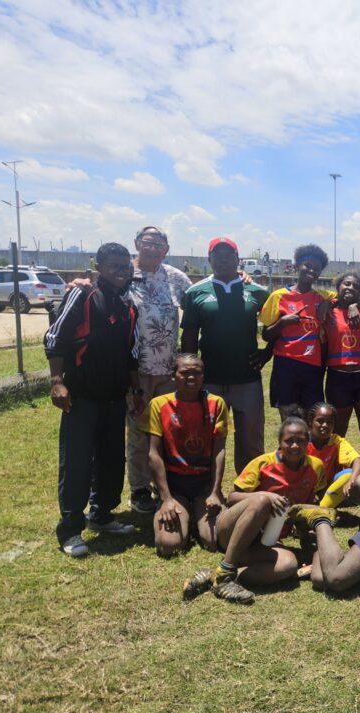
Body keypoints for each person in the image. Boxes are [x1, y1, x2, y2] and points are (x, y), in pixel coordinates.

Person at [44, 242, 141, 557]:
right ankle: (70, 529)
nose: (120, 272)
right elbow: (55, 338)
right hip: (81, 398)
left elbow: (130, 354)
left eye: (125, 267)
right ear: (99, 267)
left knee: (112, 460)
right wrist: (57, 381)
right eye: (113, 266)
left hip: (114, 398)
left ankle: (101, 514)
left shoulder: (127, 306)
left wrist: (136, 391)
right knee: (77, 462)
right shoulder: (82, 295)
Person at [181, 417, 328, 604]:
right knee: (261, 501)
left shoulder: (315, 467)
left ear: (308, 442)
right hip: (232, 531)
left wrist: (307, 537)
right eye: (289, 441)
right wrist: (266, 495)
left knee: (289, 565)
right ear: (279, 442)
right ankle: (226, 570)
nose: (294, 446)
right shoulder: (263, 464)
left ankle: (217, 578)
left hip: (265, 541)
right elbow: (232, 497)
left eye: (300, 440)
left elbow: (306, 506)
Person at [116, 226, 195, 516]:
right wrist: (82, 282)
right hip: (135, 371)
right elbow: (99, 292)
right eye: (147, 242)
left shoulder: (175, 278)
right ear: (136, 243)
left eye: (159, 244)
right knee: (139, 430)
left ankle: (168, 484)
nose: (152, 248)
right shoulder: (123, 274)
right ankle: (139, 489)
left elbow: (200, 298)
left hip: (168, 371)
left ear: (166, 249)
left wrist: (242, 277)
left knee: (169, 431)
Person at [180, 237, 270, 475]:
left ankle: (249, 489)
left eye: (228, 255)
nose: (223, 259)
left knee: (251, 442)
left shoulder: (257, 291)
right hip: (210, 381)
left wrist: (267, 353)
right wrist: (190, 373)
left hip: (247, 379)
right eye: (217, 255)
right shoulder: (195, 292)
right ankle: (207, 489)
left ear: (237, 258)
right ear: (209, 259)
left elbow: (275, 327)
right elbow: (189, 336)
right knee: (206, 440)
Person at [145, 354, 228, 557]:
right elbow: (154, 454)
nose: (191, 377)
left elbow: (219, 451)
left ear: (203, 376)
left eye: (197, 373)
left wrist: (215, 492)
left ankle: (198, 510)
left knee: (215, 541)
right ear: (173, 376)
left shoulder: (217, 403)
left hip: (204, 483)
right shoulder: (158, 405)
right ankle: (173, 507)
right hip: (175, 485)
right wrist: (166, 498)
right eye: (185, 373)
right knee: (169, 545)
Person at [260, 244, 334, 416]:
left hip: (313, 368)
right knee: (289, 418)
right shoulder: (278, 296)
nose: (311, 270)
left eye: (316, 268)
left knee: (312, 417)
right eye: (307, 265)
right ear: (296, 266)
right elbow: (266, 335)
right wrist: (282, 323)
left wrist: (329, 303)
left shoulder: (321, 296)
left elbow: (348, 296)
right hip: (286, 365)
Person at [324, 272, 360, 449]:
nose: (351, 288)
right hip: (338, 377)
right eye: (347, 284)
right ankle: (338, 464)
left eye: (356, 286)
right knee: (339, 429)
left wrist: (355, 305)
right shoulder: (328, 312)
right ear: (338, 286)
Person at [303, 402, 360, 511]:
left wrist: (351, 481)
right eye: (320, 421)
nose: (325, 425)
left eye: (329, 422)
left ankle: (321, 509)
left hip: (326, 489)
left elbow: (358, 461)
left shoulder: (336, 441)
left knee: (349, 474)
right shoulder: (301, 442)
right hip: (303, 487)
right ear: (310, 422)